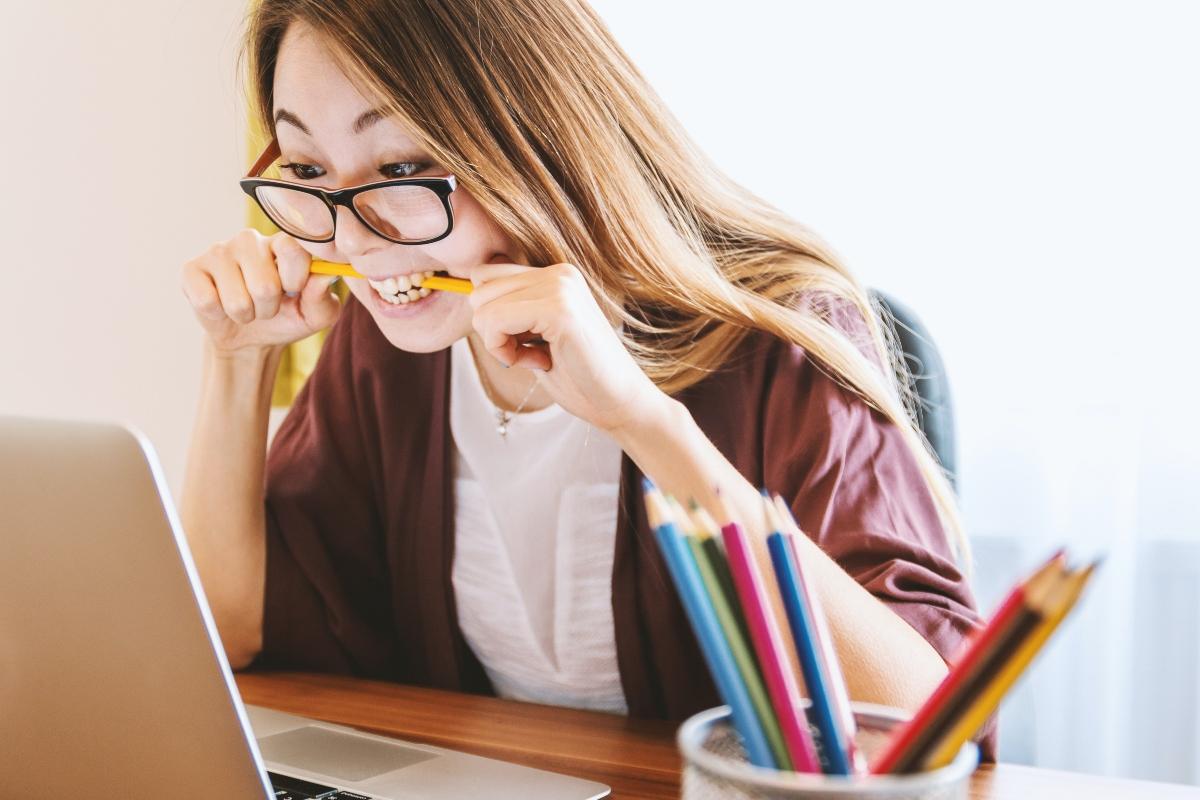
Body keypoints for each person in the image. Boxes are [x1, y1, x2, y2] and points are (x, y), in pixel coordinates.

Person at [180, 0, 995, 759]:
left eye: (401, 164)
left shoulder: (774, 340)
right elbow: (229, 631)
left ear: (534, 139)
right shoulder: (386, 348)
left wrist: (643, 421)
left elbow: (925, 728)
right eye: (311, 172)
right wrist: (237, 361)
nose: (357, 240)